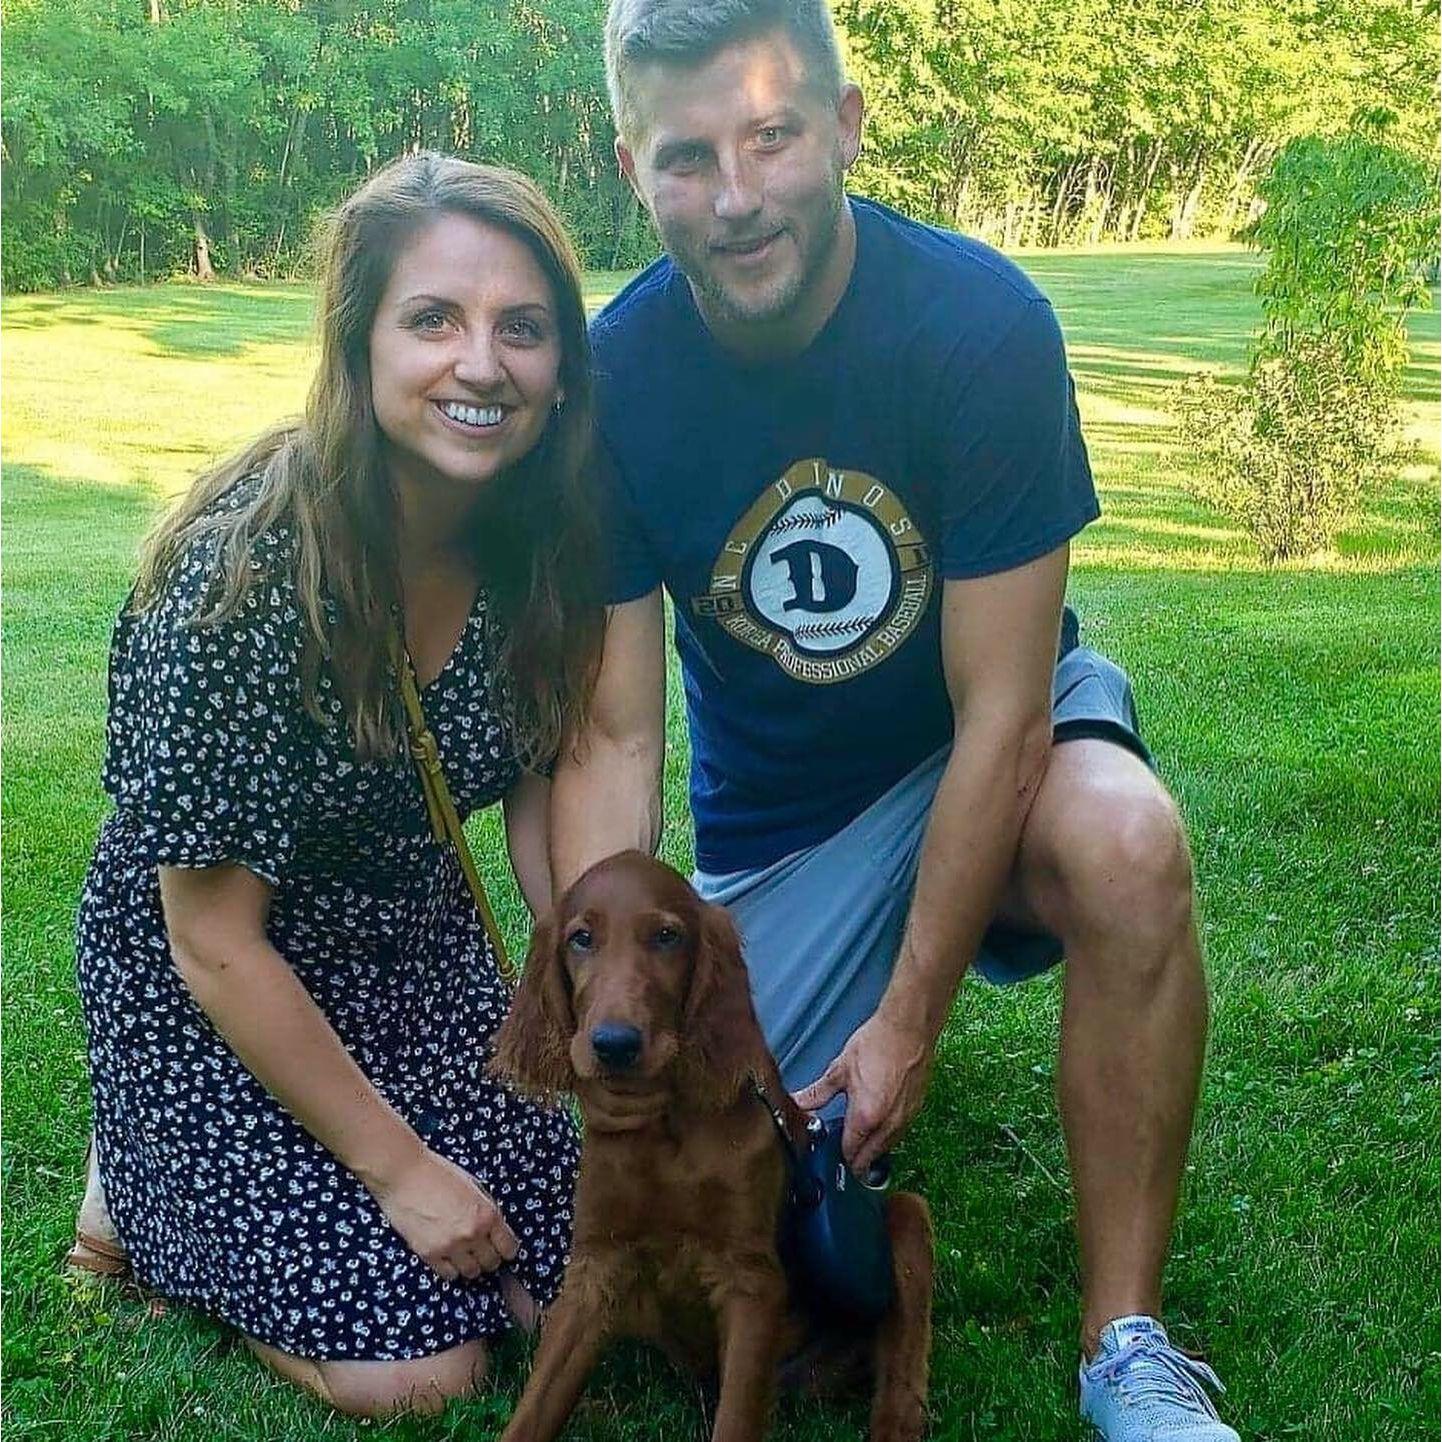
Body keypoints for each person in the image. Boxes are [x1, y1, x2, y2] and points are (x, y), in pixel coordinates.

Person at [548, 3, 1239, 1439]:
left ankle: (1125, 1343)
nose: (735, 199)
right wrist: (597, 991)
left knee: (1126, 846)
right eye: (687, 158)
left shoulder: (979, 325)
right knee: (721, 1130)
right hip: (786, 828)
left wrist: (909, 1016)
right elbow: (614, 736)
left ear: (846, 125)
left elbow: (1002, 713)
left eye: (771, 137)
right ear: (629, 167)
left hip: (988, 739)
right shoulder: (615, 383)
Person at [67, 153, 603, 1418]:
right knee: (418, 1368)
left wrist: (586, 987)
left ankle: (165, 1175)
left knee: (560, 1285)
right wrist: (401, 1171)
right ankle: (139, 1186)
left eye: (522, 328)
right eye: (434, 319)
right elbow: (211, 938)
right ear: (356, 342)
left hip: (412, 953)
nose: (483, 364)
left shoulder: (536, 537)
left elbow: (536, 803)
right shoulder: (237, 585)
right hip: (221, 983)